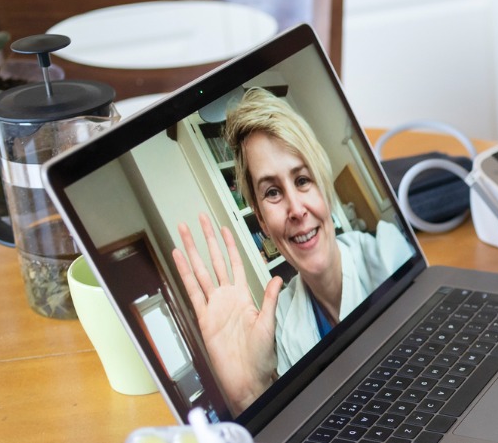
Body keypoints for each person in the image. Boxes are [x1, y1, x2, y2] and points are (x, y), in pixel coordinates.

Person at [170, 87, 413, 414]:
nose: (296, 209)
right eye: (272, 192)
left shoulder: (389, 255)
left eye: (302, 180)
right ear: (261, 220)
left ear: (324, 188)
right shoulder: (282, 322)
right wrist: (250, 396)